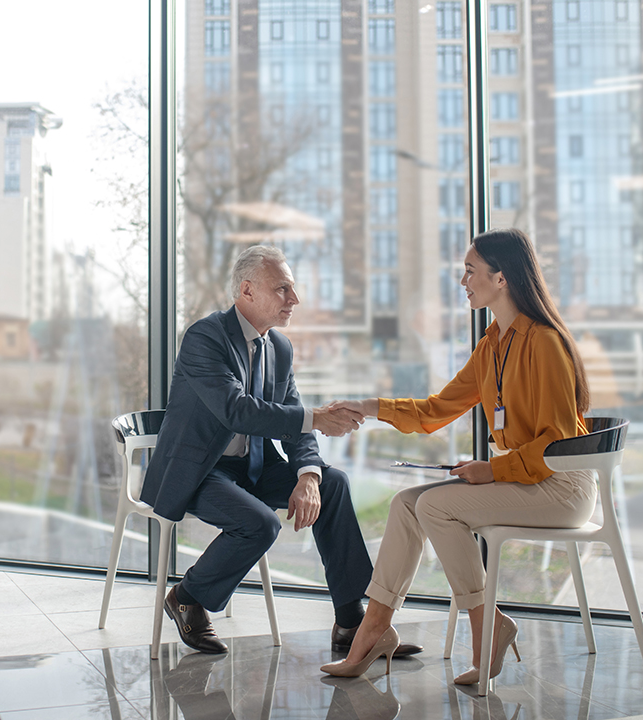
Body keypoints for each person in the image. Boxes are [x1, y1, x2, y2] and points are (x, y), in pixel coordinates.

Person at [318, 228, 597, 683]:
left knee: (435, 505)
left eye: (470, 271)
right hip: (526, 480)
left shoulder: (545, 343)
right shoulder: (493, 346)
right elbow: (435, 410)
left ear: (501, 277)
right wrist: (369, 408)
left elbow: (557, 444)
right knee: (407, 503)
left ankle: (486, 627)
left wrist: (493, 469)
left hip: (562, 487)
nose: (462, 281)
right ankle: (374, 628)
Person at [140, 245, 423, 660]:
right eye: (284, 289)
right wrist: (316, 419)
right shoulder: (205, 337)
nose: (295, 299)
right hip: (200, 470)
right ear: (247, 290)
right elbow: (236, 411)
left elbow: (293, 418)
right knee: (258, 523)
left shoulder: (280, 349)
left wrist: (309, 475)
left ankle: (351, 621)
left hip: (251, 467)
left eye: (293, 289)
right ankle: (187, 596)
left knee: (334, 484)